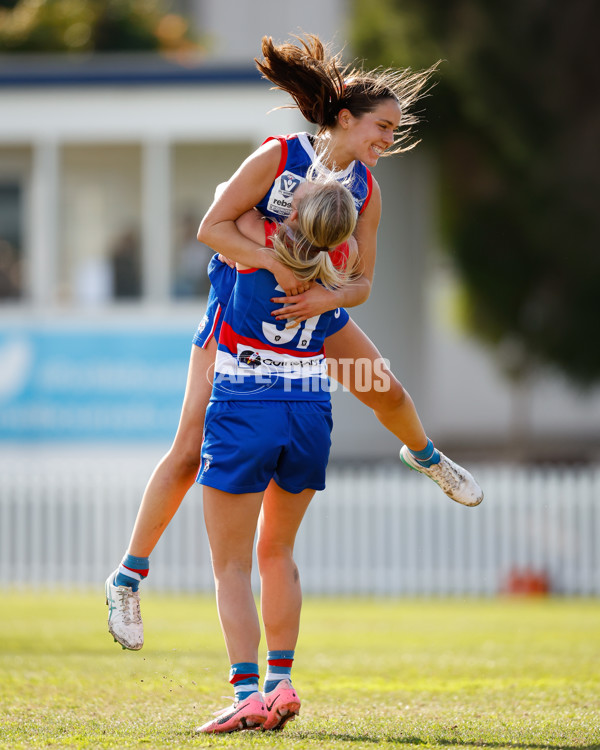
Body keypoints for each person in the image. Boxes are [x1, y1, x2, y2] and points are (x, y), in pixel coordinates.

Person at [105, 32, 482, 652]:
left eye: (394, 131)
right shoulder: (278, 157)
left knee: (382, 389)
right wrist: (272, 264)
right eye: (381, 127)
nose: (388, 140)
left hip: (314, 312)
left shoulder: (366, 190)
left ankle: (425, 456)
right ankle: (127, 578)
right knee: (187, 451)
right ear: (343, 118)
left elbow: (361, 285)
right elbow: (211, 228)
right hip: (239, 315)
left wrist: (327, 297)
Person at [196, 175, 357, 734]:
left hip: (248, 401)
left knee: (231, 564)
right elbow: (352, 253)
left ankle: (246, 693)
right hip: (310, 405)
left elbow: (223, 210)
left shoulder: (258, 241)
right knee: (278, 552)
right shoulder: (339, 259)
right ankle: (280, 681)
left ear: (293, 211)